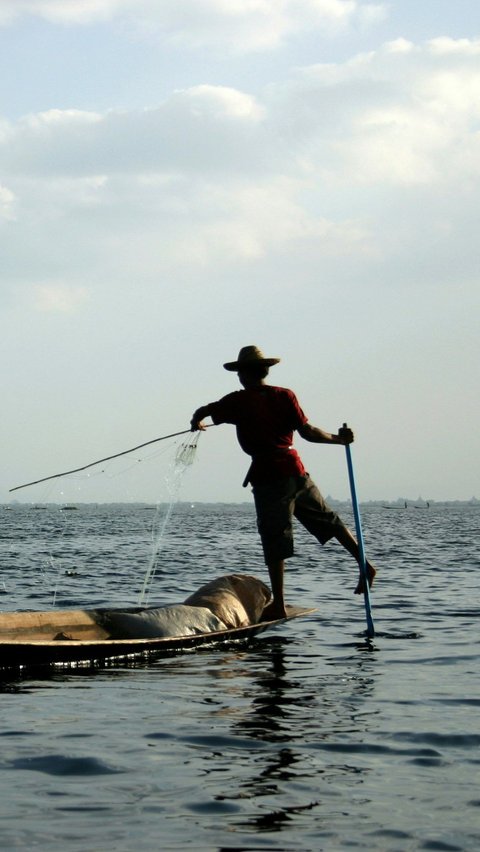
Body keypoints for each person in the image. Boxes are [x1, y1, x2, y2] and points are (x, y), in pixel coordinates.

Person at [190, 346, 376, 620]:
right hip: (296, 472)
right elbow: (308, 432)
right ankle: (365, 565)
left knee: (274, 538)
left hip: (269, 478)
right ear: (265, 372)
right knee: (330, 521)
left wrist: (197, 422)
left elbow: (203, 410)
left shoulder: (239, 401)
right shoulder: (284, 395)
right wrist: (339, 440)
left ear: (243, 375)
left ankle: (278, 604)